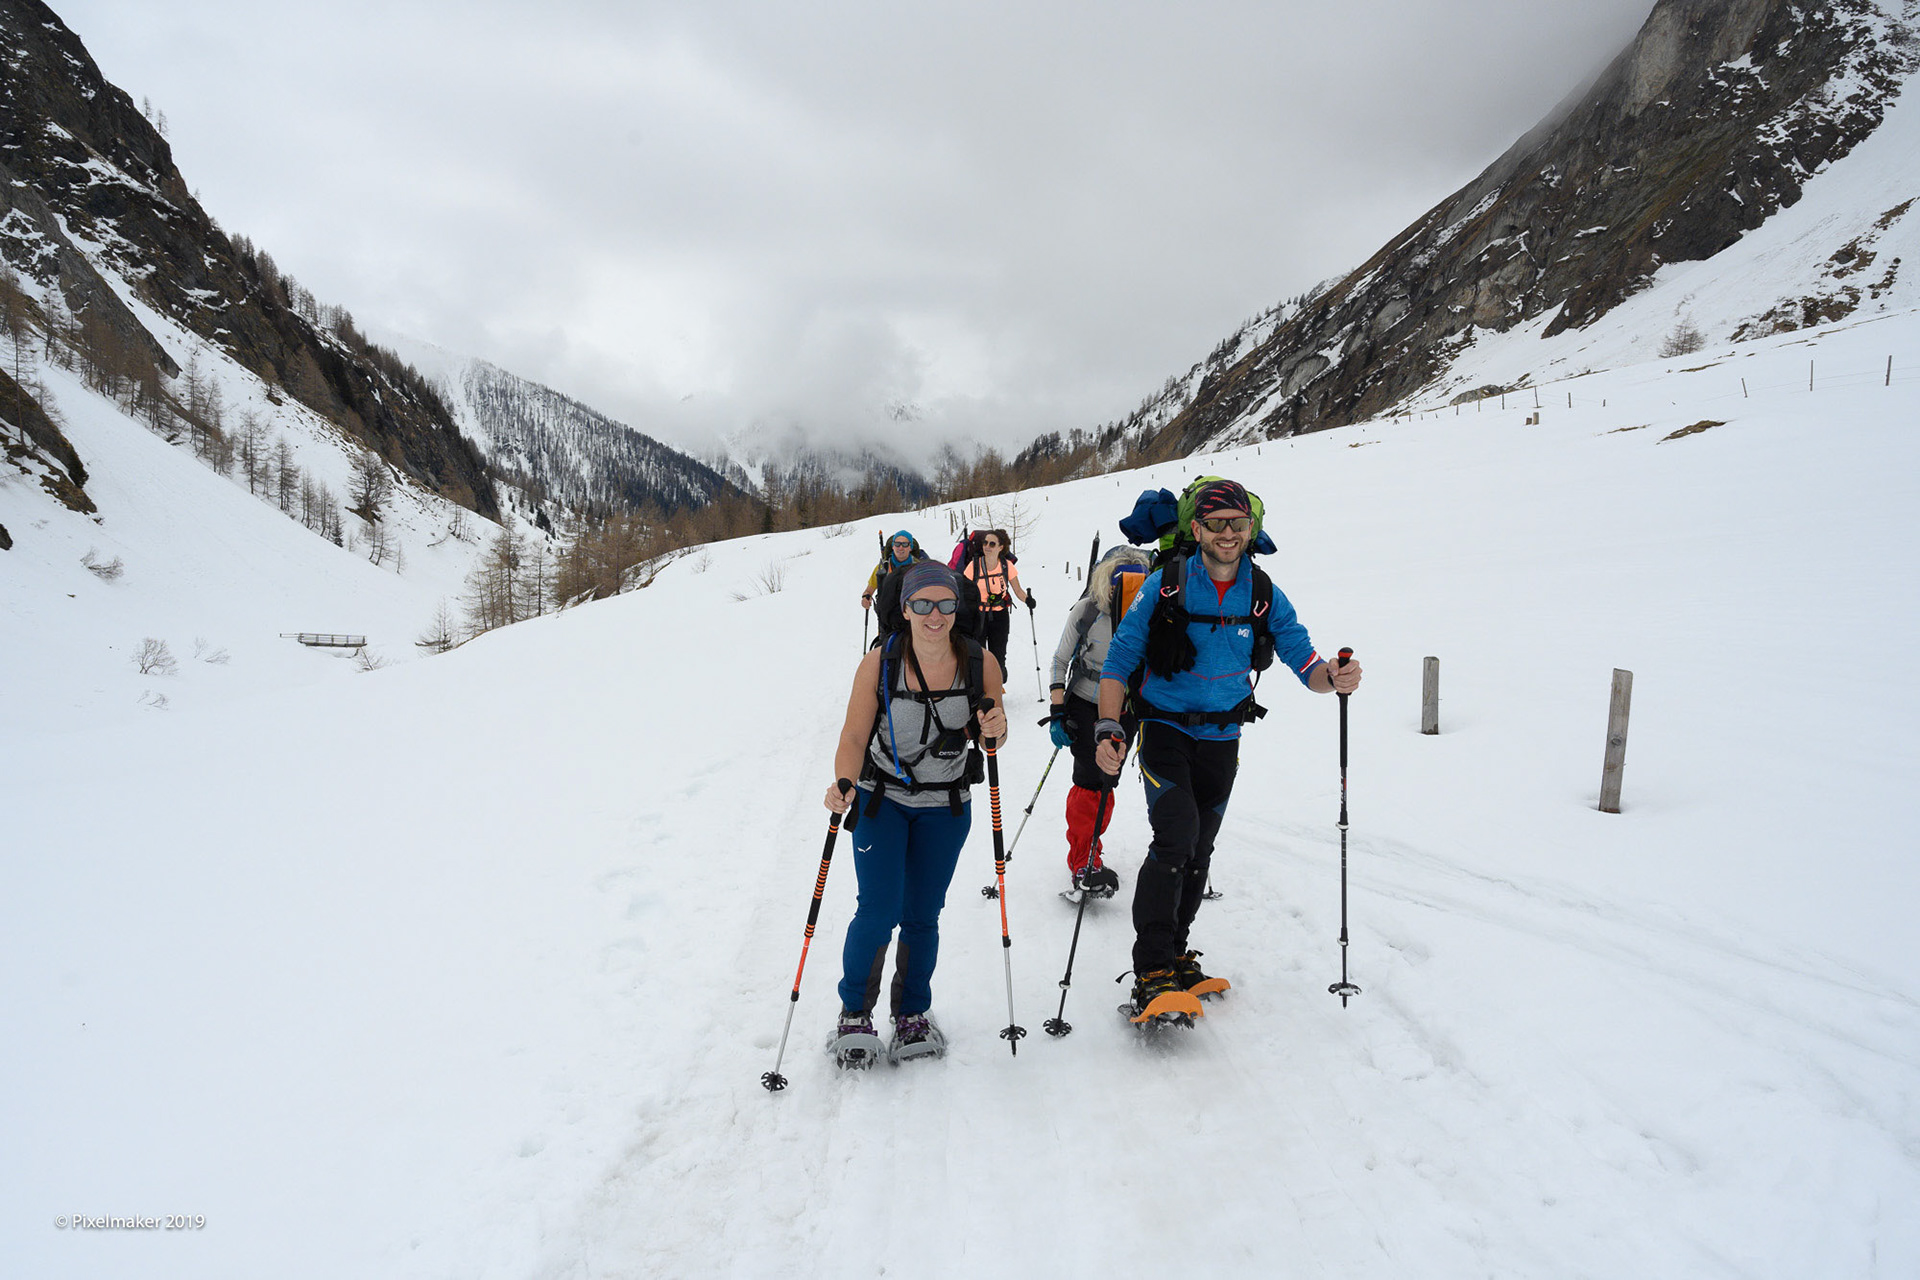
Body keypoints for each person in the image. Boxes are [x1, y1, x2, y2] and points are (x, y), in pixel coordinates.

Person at [1094, 479, 1362, 1016]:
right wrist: (1107, 727)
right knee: (1176, 836)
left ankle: (1176, 953)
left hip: (1223, 735)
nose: (1227, 533)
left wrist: (1334, 678)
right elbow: (1119, 660)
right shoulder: (1166, 585)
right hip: (1164, 728)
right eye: (1215, 523)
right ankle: (1151, 970)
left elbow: (1304, 660)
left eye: (1237, 523)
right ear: (1196, 529)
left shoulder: (1262, 592)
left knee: (1200, 848)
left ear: (1250, 528)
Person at [825, 562, 1009, 1065]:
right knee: (878, 909)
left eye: (945, 604)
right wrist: (844, 782)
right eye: (922, 604)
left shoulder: (981, 662)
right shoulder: (880, 662)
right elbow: (853, 737)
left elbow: (992, 738)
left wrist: (996, 727)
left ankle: (911, 1015)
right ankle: (854, 1013)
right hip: (881, 799)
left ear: (957, 607)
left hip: (946, 805)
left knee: (923, 914)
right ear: (905, 608)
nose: (935, 615)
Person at [1045, 545, 1153, 897]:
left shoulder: (1150, 613)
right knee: (1089, 779)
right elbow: (1060, 660)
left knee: (1107, 781)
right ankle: (1083, 860)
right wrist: (1058, 711)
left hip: (1125, 706)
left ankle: (1090, 850)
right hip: (1084, 703)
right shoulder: (1088, 611)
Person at [961, 528, 1033, 677]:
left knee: (999, 656)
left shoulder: (1006, 566)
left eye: (992, 544)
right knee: (979, 655)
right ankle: (980, 686)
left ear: (1001, 547)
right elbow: (963, 590)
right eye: (985, 543)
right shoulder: (973, 566)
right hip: (978, 617)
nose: (987, 546)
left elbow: (1018, 590)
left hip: (1000, 616)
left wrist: (1028, 600)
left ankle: (997, 683)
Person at [861, 531, 927, 612]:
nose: (900, 548)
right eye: (897, 544)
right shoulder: (882, 568)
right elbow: (868, 591)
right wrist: (865, 598)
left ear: (910, 547)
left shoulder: (920, 568)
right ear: (893, 546)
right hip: (887, 616)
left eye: (905, 544)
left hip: (912, 615)